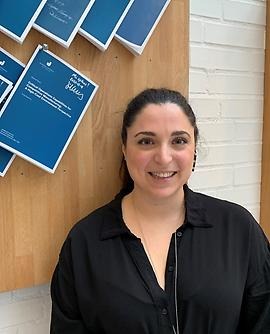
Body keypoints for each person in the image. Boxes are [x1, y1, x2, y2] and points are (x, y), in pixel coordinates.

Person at [50, 88, 270, 334]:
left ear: (194, 147)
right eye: (146, 141)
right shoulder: (84, 242)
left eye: (179, 141)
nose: (164, 158)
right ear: (124, 148)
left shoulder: (238, 229)